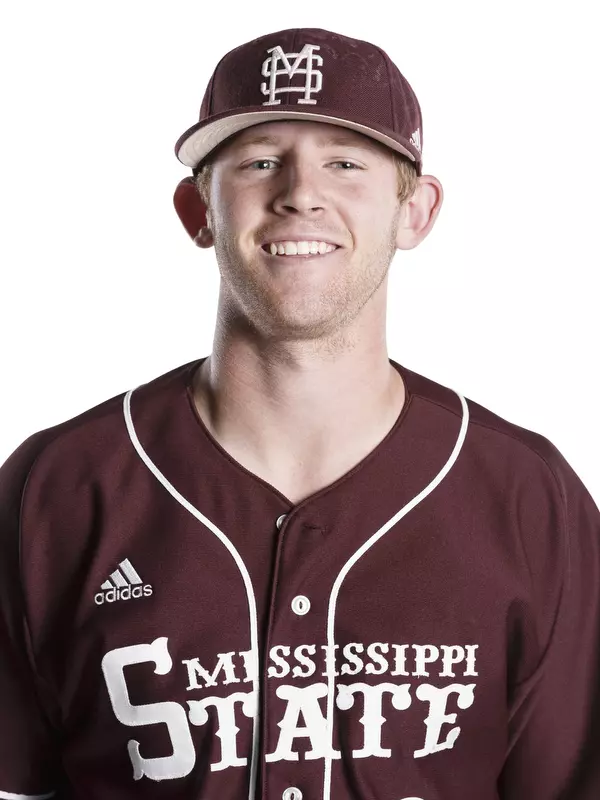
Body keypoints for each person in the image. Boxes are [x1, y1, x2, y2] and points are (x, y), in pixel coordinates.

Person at [0, 26, 598, 800]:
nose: (300, 193)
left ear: (415, 211)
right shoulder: (58, 491)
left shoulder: (527, 498)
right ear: (197, 210)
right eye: (258, 161)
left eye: (345, 163)